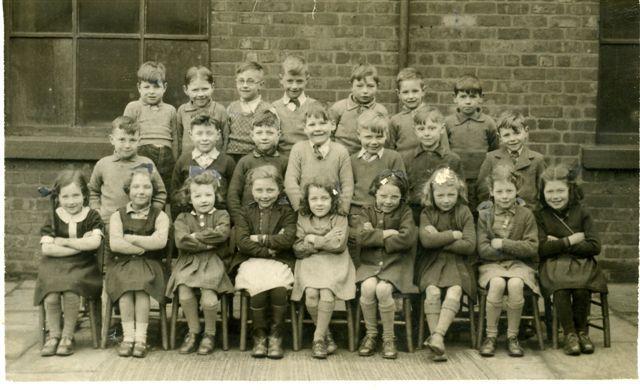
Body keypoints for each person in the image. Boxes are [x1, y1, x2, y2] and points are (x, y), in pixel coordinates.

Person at [536, 165, 607, 355]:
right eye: (550, 191)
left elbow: (594, 246)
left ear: (570, 190)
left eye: (560, 190)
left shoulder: (582, 212)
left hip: (581, 263)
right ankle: (569, 334)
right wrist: (571, 239)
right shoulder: (541, 215)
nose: (555, 196)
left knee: (581, 286)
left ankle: (582, 332)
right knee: (560, 285)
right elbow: (542, 248)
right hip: (553, 264)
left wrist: (558, 243)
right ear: (543, 193)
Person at [35, 170, 104, 356]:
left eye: (76, 195)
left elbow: (95, 243)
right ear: (58, 197)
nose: (71, 201)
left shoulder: (92, 216)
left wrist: (64, 242)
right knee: (50, 295)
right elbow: (47, 249)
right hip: (53, 264)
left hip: (83, 266)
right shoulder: (54, 215)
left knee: (72, 290)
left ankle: (67, 336)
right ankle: (54, 335)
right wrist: (81, 245)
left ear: (85, 195)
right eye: (65, 196)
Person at [231, 166, 297, 359]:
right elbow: (242, 242)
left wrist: (258, 238)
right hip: (252, 260)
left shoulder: (287, 212)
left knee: (278, 288)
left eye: (270, 190)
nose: (265, 195)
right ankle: (259, 335)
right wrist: (269, 247)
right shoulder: (244, 212)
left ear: (279, 190)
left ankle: (276, 335)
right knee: (257, 286)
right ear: (251, 190)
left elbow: (288, 239)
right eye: (259, 190)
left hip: (280, 261)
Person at [166, 171, 234, 355]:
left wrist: (195, 237)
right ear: (189, 198)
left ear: (216, 195)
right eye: (198, 196)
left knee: (209, 296)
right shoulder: (182, 218)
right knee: (184, 291)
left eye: (208, 195)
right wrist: (208, 244)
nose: (204, 200)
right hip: (188, 261)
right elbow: (181, 241)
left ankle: (210, 334)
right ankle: (194, 331)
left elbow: (221, 235)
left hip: (214, 261)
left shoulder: (222, 215)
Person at [353, 170, 418, 359]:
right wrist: (387, 233)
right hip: (370, 263)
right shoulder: (367, 210)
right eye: (383, 196)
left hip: (396, 264)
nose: (388, 201)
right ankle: (371, 334)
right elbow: (360, 237)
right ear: (375, 193)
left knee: (382, 290)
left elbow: (407, 239)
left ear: (402, 197)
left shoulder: (405, 211)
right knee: (367, 287)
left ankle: (389, 337)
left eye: (394, 197)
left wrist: (375, 235)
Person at [105, 169, 170, 358]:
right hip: (123, 264)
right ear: (128, 189)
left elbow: (159, 242)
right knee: (125, 291)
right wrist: (143, 245)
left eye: (146, 187)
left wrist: (130, 238)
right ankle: (128, 337)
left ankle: (141, 338)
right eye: (136, 186)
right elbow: (116, 244)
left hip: (150, 264)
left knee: (142, 289)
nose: (141, 191)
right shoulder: (118, 215)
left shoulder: (160, 216)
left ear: (153, 190)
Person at [476, 165, 539, 358]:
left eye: (509, 191)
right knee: (496, 283)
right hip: (491, 266)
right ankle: (491, 336)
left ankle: (513, 336)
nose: (504, 196)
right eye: (500, 191)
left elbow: (531, 247)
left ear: (517, 190)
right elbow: (483, 249)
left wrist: (502, 243)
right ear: (492, 192)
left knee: (515, 283)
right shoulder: (485, 215)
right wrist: (513, 251)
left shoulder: (526, 215)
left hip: (519, 266)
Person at [416, 167, 476, 362]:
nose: (446, 199)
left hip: (458, 264)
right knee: (432, 292)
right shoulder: (427, 213)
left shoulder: (464, 211)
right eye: (440, 195)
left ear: (459, 193)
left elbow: (469, 245)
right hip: (432, 263)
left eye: (451, 194)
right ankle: (437, 341)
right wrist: (453, 235)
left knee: (455, 290)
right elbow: (426, 242)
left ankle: (437, 336)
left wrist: (439, 239)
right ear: (431, 194)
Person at [291, 180, 356, 359]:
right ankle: (326, 334)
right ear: (307, 200)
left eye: (324, 198)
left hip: (335, 262)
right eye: (314, 199)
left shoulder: (340, 217)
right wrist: (325, 239)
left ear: (332, 200)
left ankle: (318, 339)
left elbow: (338, 245)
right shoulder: (303, 217)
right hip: (310, 262)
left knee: (327, 292)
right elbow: (298, 247)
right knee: (311, 293)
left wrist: (313, 239)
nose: (319, 203)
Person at [88, 115, 167, 229]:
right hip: (107, 223)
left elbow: (160, 193)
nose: (127, 145)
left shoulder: (147, 164)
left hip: (139, 223)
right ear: (112, 140)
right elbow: (93, 191)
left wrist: (151, 215)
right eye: (122, 140)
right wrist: (97, 211)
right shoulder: (103, 164)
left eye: (132, 140)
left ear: (139, 141)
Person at [284, 103, 354, 216]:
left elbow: (347, 185)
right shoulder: (298, 149)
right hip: (305, 209)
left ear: (332, 125)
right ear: (305, 129)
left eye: (322, 123)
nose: (318, 129)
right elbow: (290, 182)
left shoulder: (341, 151)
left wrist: (342, 208)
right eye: (312, 124)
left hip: (334, 209)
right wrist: (300, 207)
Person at [124, 61, 178, 198]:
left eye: (156, 86)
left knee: (164, 192)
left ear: (164, 87)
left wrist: (175, 159)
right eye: (147, 87)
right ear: (139, 88)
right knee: (144, 189)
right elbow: (125, 133)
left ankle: (162, 218)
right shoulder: (133, 107)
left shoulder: (170, 110)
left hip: (167, 155)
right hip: (143, 153)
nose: (151, 92)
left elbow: (176, 138)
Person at [444, 75, 498, 212]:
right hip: (457, 177)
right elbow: (445, 151)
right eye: (463, 97)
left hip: (482, 179)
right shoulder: (448, 123)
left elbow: (494, 150)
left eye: (473, 97)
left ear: (481, 98)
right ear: (454, 98)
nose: (468, 102)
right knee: (459, 210)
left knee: (482, 210)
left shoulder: (488, 123)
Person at [227, 108, 288, 223]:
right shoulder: (245, 162)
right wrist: (239, 221)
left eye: (270, 133)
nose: (264, 137)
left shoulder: (284, 162)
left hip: (276, 221)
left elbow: (288, 194)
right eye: (259, 133)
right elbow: (233, 195)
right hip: (247, 220)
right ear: (252, 135)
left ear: (278, 134)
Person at [477, 110, 545, 210]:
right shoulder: (491, 158)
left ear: (526, 131)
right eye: (506, 135)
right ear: (499, 137)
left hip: (528, 214)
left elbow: (543, 192)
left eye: (516, 133)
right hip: (499, 214)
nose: (512, 139)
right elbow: (483, 190)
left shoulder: (537, 160)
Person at [405, 106, 463, 222]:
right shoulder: (406, 158)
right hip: (414, 214)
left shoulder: (452, 159)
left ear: (442, 129)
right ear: (415, 130)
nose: (426, 133)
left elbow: (460, 193)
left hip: (443, 215)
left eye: (432, 128)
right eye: (421, 129)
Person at [171, 114, 236, 216]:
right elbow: (175, 194)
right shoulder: (183, 160)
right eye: (199, 134)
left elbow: (233, 196)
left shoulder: (227, 162)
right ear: (191, 135)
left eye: (209, 133)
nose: (204, 138)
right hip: (189, 221)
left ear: (218, 135)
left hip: (220, 221)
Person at [388, 67, 448, 160]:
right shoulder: (395, 121)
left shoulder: (434, 115)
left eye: (415, 91)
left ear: (423, 91)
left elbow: (444, 148)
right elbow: (390, 151)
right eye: (405, 92)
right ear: (398, 93)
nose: (411, 96)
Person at [329, 64, 388, 155]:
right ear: (351, 86)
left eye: (370, 86)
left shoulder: (380, 111)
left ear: (377, 86)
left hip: (370, 158)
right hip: (342, 157)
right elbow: (328, 134)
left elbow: (385, 139)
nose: (365, 91)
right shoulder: (339, 108)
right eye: (359, 86)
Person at [176, 65, 229, 157]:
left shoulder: (220, 110)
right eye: (195, 90)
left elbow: (226, 138)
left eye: (205, 89)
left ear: (212, 87)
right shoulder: (182, 111)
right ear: (186, 90)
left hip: (215, 162)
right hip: (189, 162)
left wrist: (222, 159)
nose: (200, 94)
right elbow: (178, 138)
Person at [272, 55, 320, 155]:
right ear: (281, 79)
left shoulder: (314, 106)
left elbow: (319, 137)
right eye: (290, 81)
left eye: (299, 81)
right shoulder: (274, 108)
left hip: (308, 157)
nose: (294, 86)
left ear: (307, 79)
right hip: (282, 159)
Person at [226, 61, 273, 162]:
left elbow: (271, 138)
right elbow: (225, 135)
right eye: (241, 81)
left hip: (256, 157)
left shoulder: (267, 109)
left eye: (250, 81)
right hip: (232, 156)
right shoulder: (231, 108)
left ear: (261, 84)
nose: (245, 85)